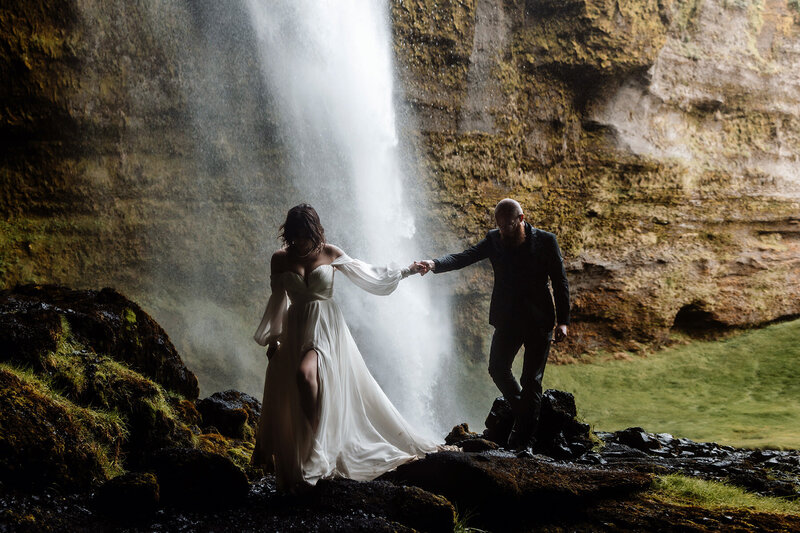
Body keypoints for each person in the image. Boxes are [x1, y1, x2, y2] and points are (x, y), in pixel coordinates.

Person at [251, 203, 437, 491]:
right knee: (296, 385)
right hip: (296, 326)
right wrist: (273, 340)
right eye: (295, 235)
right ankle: (307, 452)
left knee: (305, 375)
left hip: (326, 325)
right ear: (288, 234)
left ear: (314, 231)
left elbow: (370, 275)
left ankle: (316, 444)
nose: (301, 241)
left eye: (305, 234)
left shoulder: (329, 252)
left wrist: (407, 271)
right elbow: (278, 300)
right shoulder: (279, 259)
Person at [417, 198, 570, 455]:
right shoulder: (494, 239)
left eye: (507, 226)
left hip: (539, 319)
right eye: (498, 226)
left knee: (531, 380)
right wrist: (434, 264)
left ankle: (524, 443)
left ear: (521, 219)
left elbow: (560, 281)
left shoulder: (546, 241)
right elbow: (466, 256)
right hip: (508, 319)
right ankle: (526, 415)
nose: (503, 231)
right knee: (497, 368)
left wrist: (563, 322)